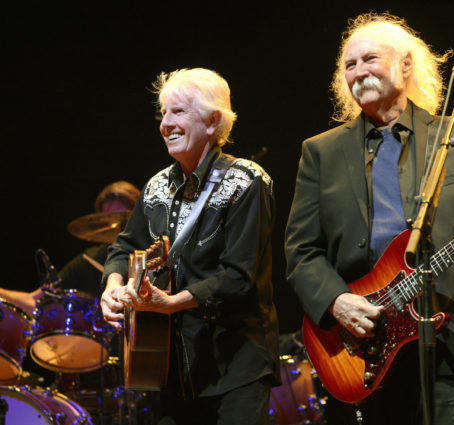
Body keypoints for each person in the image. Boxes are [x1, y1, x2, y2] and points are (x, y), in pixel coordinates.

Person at [284, 13, 454, 425]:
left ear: (406, 65)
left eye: (369, 58)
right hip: (362, 344)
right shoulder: (321, 152)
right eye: (348, 65)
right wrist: (336, 301)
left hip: (453, 340)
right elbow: (301, 251)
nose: (358, 71)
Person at [99, 68, 279, 425]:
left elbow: (238, 275)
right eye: (162, 113)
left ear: (213, 121)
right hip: (170, 371)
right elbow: (123, 247)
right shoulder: (155, 187)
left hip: (235, 367)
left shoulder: (247, 181)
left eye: (177, 112)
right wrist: (112, 286)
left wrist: (173, 303)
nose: (165, 123)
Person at [0, 180, 140, 315]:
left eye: (125, 220)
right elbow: (36, 300)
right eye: (109, 220)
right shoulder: (90, 259)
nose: (118, 227)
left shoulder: (154, 258)